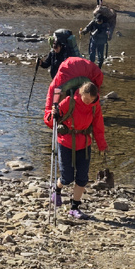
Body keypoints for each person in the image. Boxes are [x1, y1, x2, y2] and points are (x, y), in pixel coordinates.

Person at [44, 75, 107, 219]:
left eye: (92, 99)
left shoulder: (95, 106)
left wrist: (102, 144)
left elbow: (98, 125)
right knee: (67, 177)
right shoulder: (69, 101)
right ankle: (57, 189)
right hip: (66, 142)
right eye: (86, 99)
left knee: (82, 178)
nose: (89, 102)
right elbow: (51, 121)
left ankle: (74, 208)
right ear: (81, 93)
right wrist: (53, 114)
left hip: (84, 143)